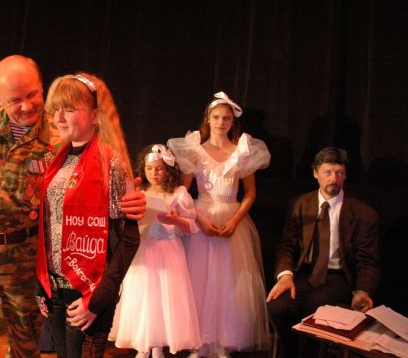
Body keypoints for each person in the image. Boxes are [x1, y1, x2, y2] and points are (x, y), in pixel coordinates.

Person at [0, 56, 145, 358]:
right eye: (15, 100)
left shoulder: (62, 133)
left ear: (42, 88)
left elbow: (97, 178)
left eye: (33, 94)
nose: (27, 105)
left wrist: (130, 199)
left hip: (29, 261)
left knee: (27, 347)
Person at [34, 73, 140, 358]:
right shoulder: (55, 161)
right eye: (56, 109)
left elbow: (128, 241)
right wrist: (41, 284)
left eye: (69, 109)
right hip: (55, 289)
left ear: (94, 116)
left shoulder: (111, 163)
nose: (59, 117)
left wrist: (97, 300)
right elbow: (47, 227)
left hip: (89, 292)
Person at [167, 91, 271, 357]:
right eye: (216, 117)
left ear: (232, 122)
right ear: (208, 119)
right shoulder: (195, 150)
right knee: (200, 280)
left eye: (226, 118)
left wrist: (235, 220)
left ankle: (223, 341)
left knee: (228, 280)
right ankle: (199, 341)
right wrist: (199, 219)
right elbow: (182, 191)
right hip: (201, 216)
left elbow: (250, 193)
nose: (221, 122)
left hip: (231, 218)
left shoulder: (241, 151)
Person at [266, 147, 381, 357]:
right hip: (305, 273)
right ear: (315, 173)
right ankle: (291, 353)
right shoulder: (300, 204)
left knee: (316, 307)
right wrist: (285, 275)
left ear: (345, 175)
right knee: (278, 307)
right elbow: (287, 245)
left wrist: (363, 291)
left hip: (338, 276)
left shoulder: (363, 213)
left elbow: (368, 261)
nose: (333, 179)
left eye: (339, 173)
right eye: (328, 172)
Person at [110, 144, 201, 358]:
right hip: (144, 250)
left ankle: (158, 348)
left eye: (159, 169)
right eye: (149, 169)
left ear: (168, 169)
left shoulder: (178, 193)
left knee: (164, 298)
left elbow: (191, 226)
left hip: (168, 251)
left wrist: (174, 220)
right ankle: (144, 346)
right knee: (142, 296)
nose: (154, 173)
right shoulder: (139, 192)